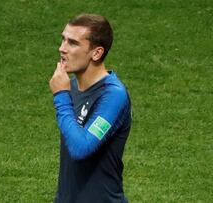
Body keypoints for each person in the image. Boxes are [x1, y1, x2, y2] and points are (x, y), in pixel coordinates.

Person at [49, 14, 132, 203]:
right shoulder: (72, 87)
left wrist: (61, 96)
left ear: (96, 53)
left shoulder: (113, 95)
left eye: (73, 43)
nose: (62, 49)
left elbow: (81, 148)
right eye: (63, 39)